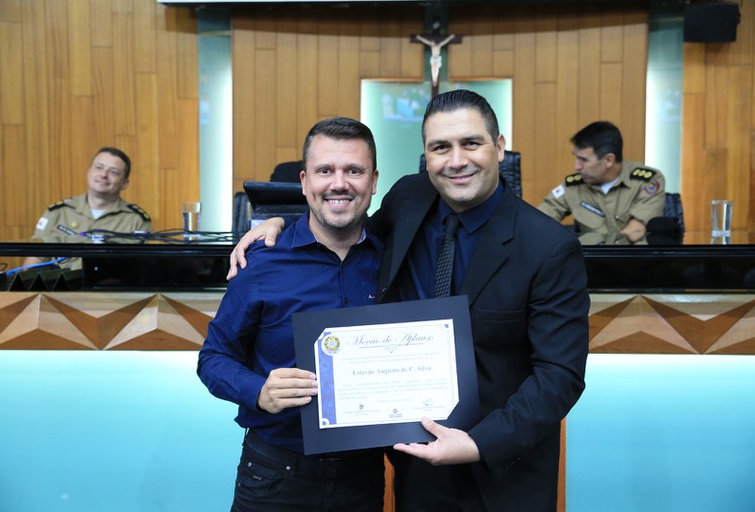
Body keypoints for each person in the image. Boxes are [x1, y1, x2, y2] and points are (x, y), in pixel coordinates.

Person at [229, 90, 590, 512]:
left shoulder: (549, 246)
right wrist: (279, 222)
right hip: (417, 471)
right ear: (426, 155)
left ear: (499, 147)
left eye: (471, 143)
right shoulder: (409, 199)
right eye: (441, 147)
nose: (456, 160)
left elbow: (560, 376)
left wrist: (478, 443)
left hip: (501, 478)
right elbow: (346, 225)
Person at [197, 117, 385, 512]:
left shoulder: (396, 257)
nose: (339, 183)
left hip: (363, 475)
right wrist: (258, 392)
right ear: (304, 182)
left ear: (373, 181)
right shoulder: (261, 261)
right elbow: (213, 358)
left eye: (354, 171)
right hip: (276, 474)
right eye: (324, 171)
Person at [23, 147, 151, 270]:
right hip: (63, 284)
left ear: (124, 183)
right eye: (99, 167)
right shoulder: (58, 212)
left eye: (113, 172)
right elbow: (35, 258)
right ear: (89, 172)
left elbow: (143, 268)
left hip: (112, 285)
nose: (103, 174)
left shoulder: (136, 220)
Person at [538, 121, 665, 242]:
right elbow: (540, 219)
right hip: (589, 256)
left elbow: (636, 231)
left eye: (583, 160)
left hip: (633, 256)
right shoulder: (573, 186)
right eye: (576, 158)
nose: (577, 166)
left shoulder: (647, 180)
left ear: (609, 160)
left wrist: (601, 247)